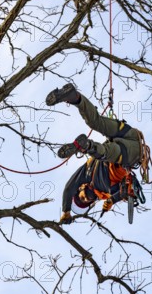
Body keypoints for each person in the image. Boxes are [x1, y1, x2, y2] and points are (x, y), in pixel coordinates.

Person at [45, 83, 142, 223]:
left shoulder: (85, 174)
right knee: (106, 153)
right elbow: (126, 190)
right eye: (85, 201)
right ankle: (86, 146)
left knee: (95, 122)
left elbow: (68, 188)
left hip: (126, 134)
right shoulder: (107, 193)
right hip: (129, 153)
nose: (85, 198)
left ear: (80, 189)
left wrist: (66, 211)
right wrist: (113, 200)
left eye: (81, 197)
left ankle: (74, 97)